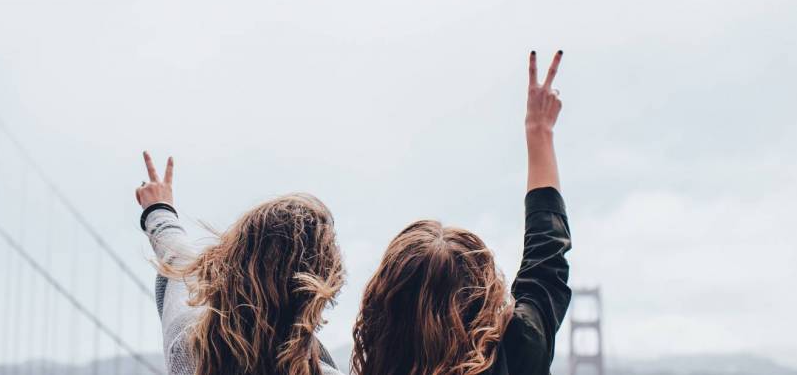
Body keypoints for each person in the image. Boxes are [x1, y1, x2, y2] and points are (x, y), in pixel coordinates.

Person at [352, 50, 573, 375]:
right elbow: (546, 263)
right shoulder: (518, 352)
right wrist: (540, 132)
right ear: (484, 294)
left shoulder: (382, 361)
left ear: (383, 310)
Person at [133, 151, 348, 375]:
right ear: (322, 286)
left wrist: (158, 209)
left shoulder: (187, 344)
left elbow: (178, 260)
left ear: (230, 263)